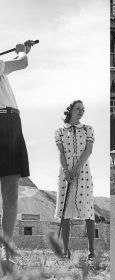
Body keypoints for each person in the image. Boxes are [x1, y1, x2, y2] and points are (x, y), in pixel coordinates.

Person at [0, 41, 33, 265]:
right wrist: (22, 49)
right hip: (5, 120)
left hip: (9, 122)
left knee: (10, 193)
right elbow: (22, 62)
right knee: (10, 193)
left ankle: (6, 250)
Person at [55, 100, 95, 260]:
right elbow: (61, 153)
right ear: (70, 110)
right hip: (66, 171)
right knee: (65, 211)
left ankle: (91, 250)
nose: (81, 111)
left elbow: (88, 150)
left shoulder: (88, 129)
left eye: (83, 109)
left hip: (83, 170)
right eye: (78, 108)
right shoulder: (59, 131)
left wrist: (76, 169)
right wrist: (66, 171)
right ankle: (66, 250)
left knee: (88, 208)